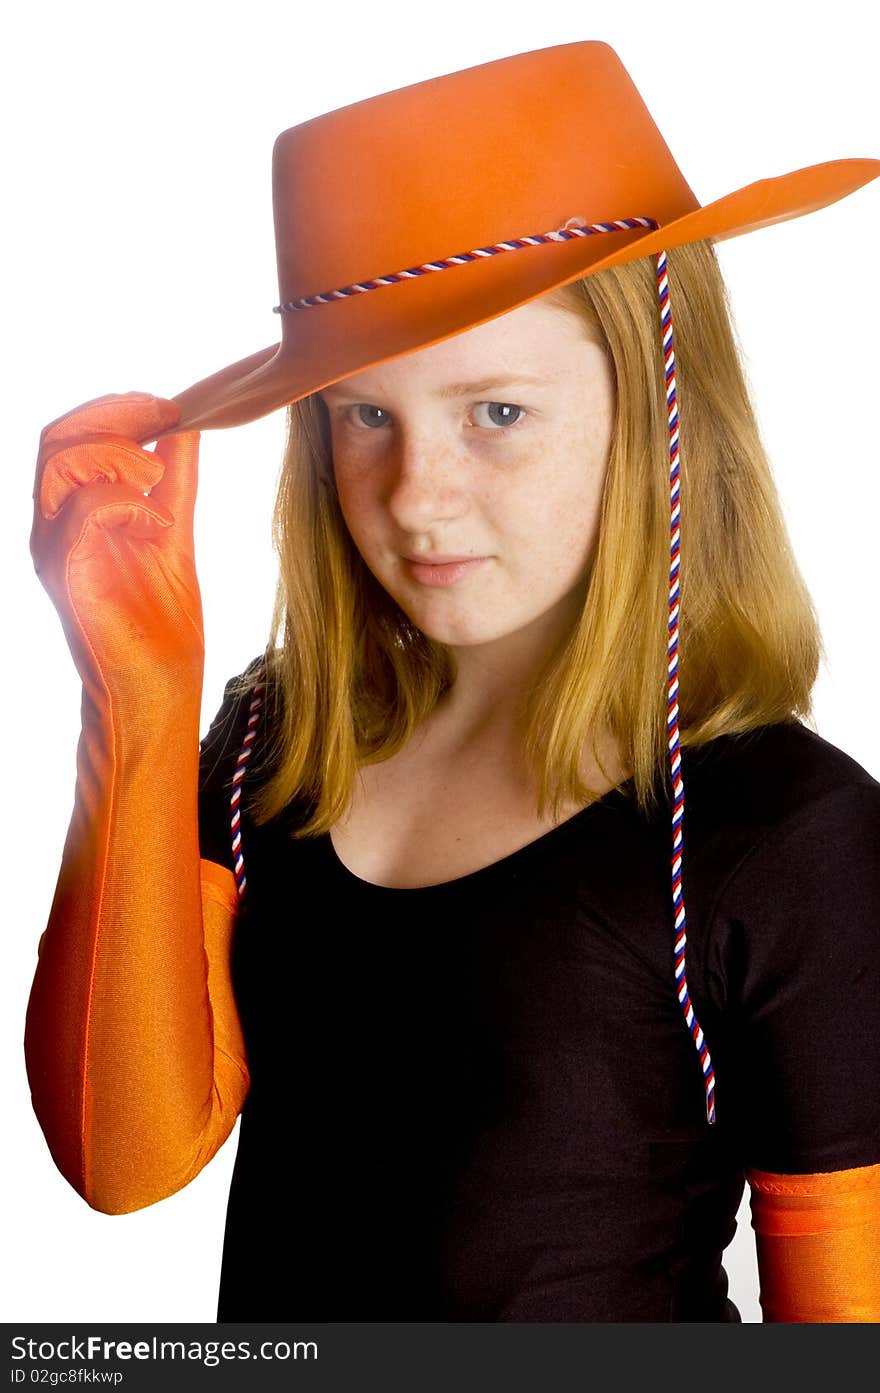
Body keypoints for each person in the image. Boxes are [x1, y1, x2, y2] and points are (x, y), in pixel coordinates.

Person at [25, 39, 880, 1323]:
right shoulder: (272, 743)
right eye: (363, 415)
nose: (413, 498)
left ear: (659, 407)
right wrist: (135, 702)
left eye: (496, 413)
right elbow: (123, 1162)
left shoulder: (780, 833)